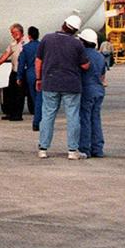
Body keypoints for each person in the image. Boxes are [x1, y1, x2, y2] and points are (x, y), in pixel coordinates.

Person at [35, 15, 90, 159]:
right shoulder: (77, 44)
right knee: (72, 117)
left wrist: (39, 78)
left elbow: (38, 61)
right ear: (76, 30)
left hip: (50, 82)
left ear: (63, 24)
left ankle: (43, 148)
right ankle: (72, 150)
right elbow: (85, 65)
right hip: (71, 84)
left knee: (47, 115)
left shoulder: (47, 39)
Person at [77, 29, 107, 158]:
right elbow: (102, 74)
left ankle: (84, 148)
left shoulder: (83, 55)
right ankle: (97, 148)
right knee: (96, 119)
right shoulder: (100, 56)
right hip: (99, 90)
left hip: (87, 89)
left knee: (85, 119)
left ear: (83, 41)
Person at [0, 23, 26, 120]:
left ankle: (18, 115)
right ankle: (10, 112)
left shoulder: (27, 42)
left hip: (22, 71)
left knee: (19, 94)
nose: (13, 35)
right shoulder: (13, 43)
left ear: (20, 32)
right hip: (14, 70)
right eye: (12, 33)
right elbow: (6, 54)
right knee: (10, 91)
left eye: (15, 32)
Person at [17, 26, 43, 130]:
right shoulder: (42, 46)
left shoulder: (26, 47)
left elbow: (21, 63)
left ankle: (37, 122)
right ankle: (42, 121)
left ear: (29, 36)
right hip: (42, 73)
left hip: (31, 74)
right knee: (42, 99)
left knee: (35, 99)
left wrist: (19, 76)